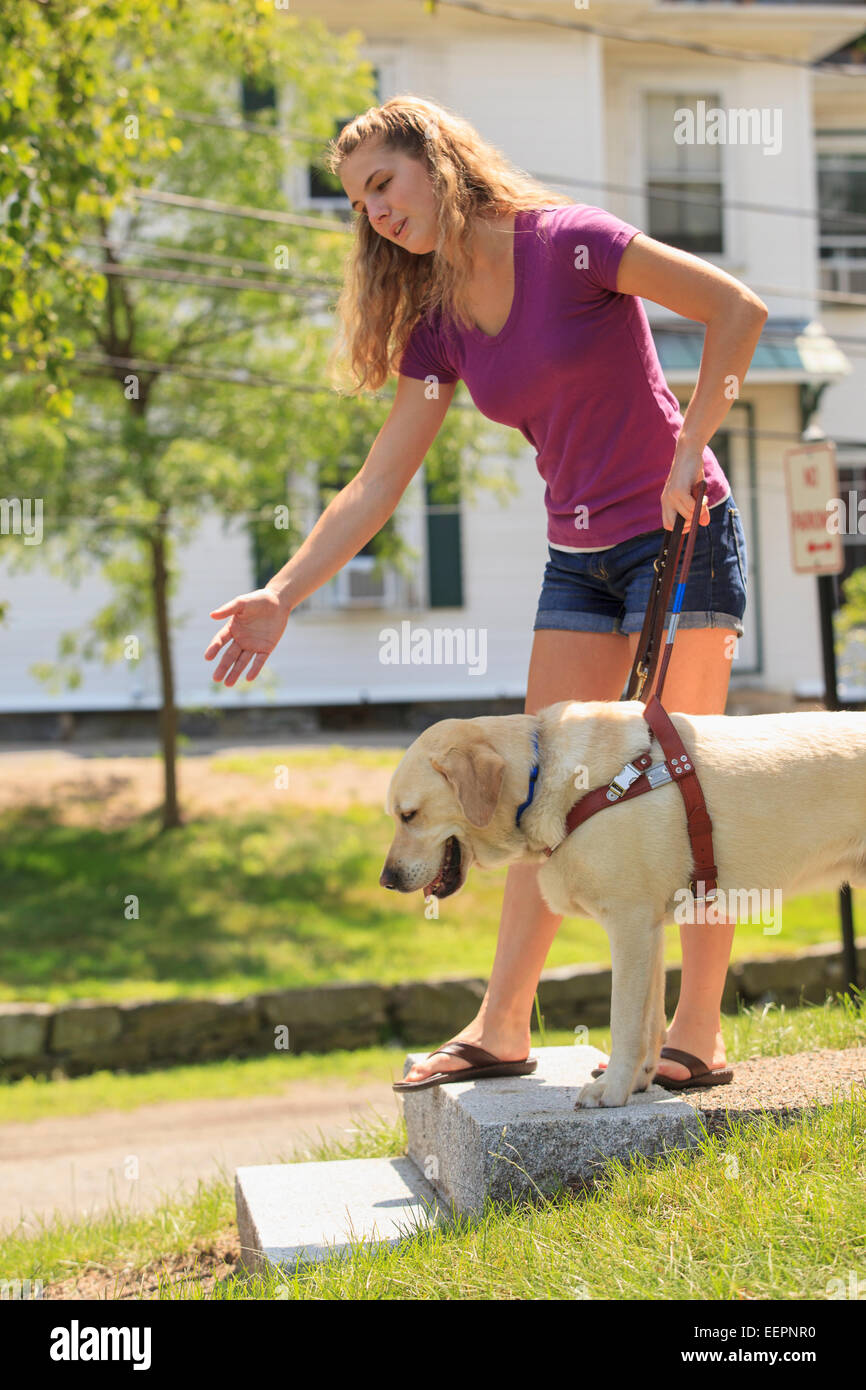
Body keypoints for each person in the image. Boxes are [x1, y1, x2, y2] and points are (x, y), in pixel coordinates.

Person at [205, 95, 767, 1091]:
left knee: (690, 794)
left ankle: (696, 1030)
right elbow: (378, 483)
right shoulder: (439, 325)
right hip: (579, 562)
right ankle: (502, 1025)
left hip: (679, 539)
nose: (373, 212)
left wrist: (691, 447)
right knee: (531, 789)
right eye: (358, 201)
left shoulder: (573, 248)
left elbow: (735, 311)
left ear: (438, 161)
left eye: (382, 182)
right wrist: (283, 592)